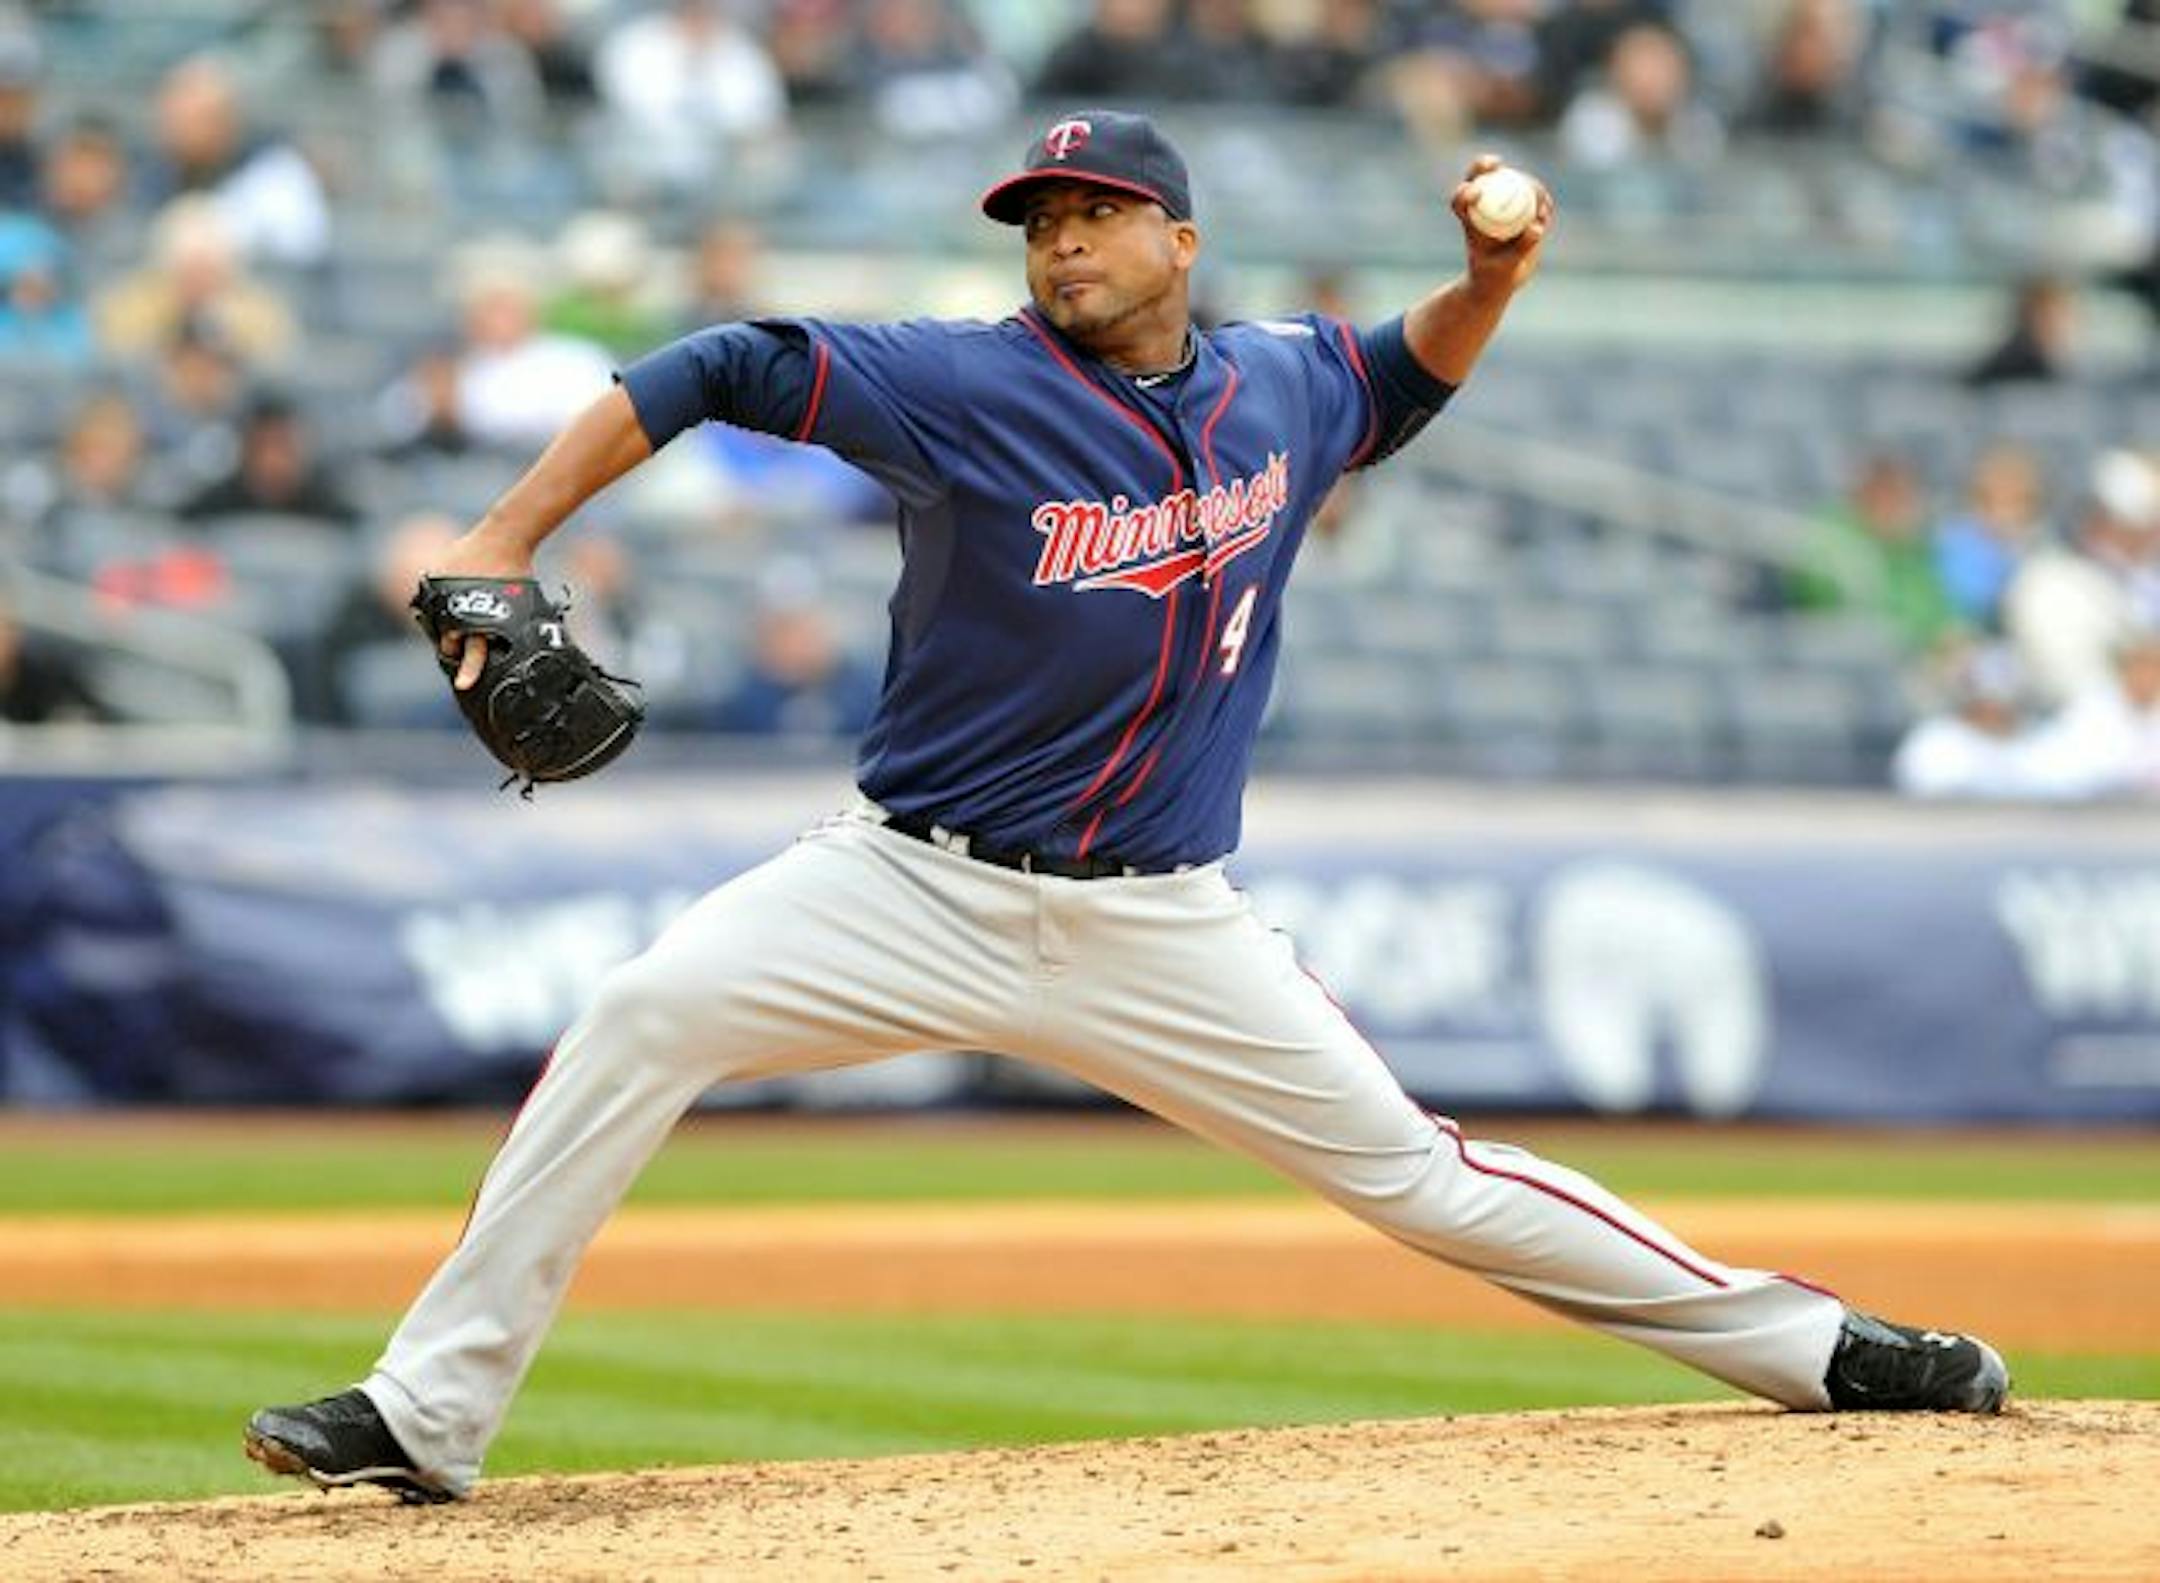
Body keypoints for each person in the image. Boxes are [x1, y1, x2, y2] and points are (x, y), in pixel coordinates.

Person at [243, 111, 2008, 1507]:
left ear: (1180, 237)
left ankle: (1828, 1351)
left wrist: (1494, 273)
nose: (1061, 240)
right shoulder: (964, 382)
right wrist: (500, 540)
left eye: (1092, 212)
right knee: (637, 1021)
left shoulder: (1290, 385)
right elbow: (716, 363)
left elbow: (1409, 373)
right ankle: (427, 1411)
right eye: (1038, 218)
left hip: (1162, 921)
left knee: (1426, 1180)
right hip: (902, 889)